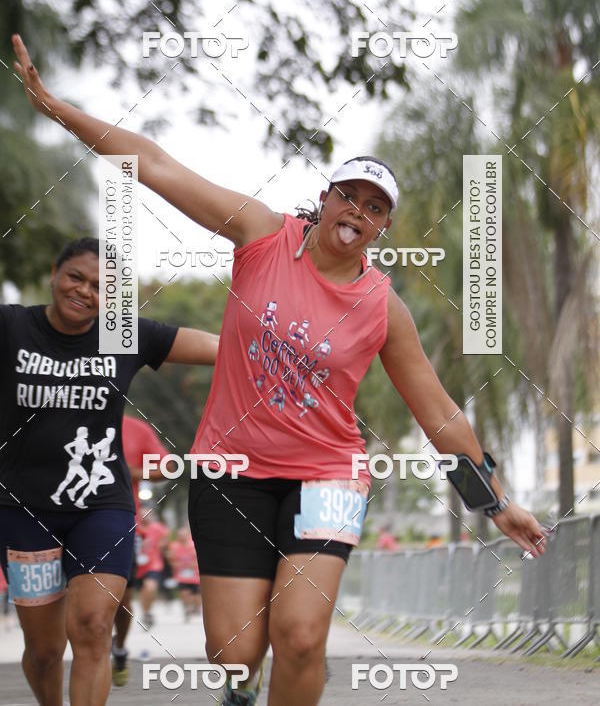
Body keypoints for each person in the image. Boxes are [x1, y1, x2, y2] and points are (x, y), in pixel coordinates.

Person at [12, 34, 547, 706]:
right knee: (234, 653)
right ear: (324, 199)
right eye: (348, 195)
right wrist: (59, 109)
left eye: (374, 206)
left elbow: (436, 412)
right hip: (229, 469)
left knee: (299, 636)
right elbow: (154, 162)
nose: (358, 211)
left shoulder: (383, 307)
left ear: (384, 226)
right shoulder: (260, 235)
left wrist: (493, 502)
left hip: (326, 472)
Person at [0, 228, 219, 706]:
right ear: (54, 275)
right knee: (42, 651)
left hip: (102, 506)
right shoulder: (11, 326)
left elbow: (217, 349)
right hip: (23, 511)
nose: (85, 291)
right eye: (75, 277)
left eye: (100, 287)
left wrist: (282, 351)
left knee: (94, 627)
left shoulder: (126, 336)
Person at [112, 412, 171, 686]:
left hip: (122, 522)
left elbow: (168, 467)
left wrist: (130, 471)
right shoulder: (62, 419)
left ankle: (119, 647)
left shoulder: (135, 428)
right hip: (67, 522)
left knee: (122, 601)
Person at [135, 509, 170, 627]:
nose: (146, 516)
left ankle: (148, 612)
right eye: (143, 514)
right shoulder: (135, 527)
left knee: (150, 587)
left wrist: (163, 544)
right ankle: (146, 612)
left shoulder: (157, 527)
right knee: (142, 592)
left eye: (149, 514)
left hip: (154, 563)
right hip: (137, 565)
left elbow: (166, 535)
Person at [167, 525, 201, 619]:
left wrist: (193, 564)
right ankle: (187, 608)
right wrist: (175, 564)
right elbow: (170, 558)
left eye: (183, 535)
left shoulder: (193, 544)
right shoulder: (174, 546)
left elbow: (199, 559)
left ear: (187, 535)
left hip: (195, 575)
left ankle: (196, 606)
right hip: (181, 575)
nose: (182, 537)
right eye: (180, 535)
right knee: (184, 593)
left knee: (196, 596)